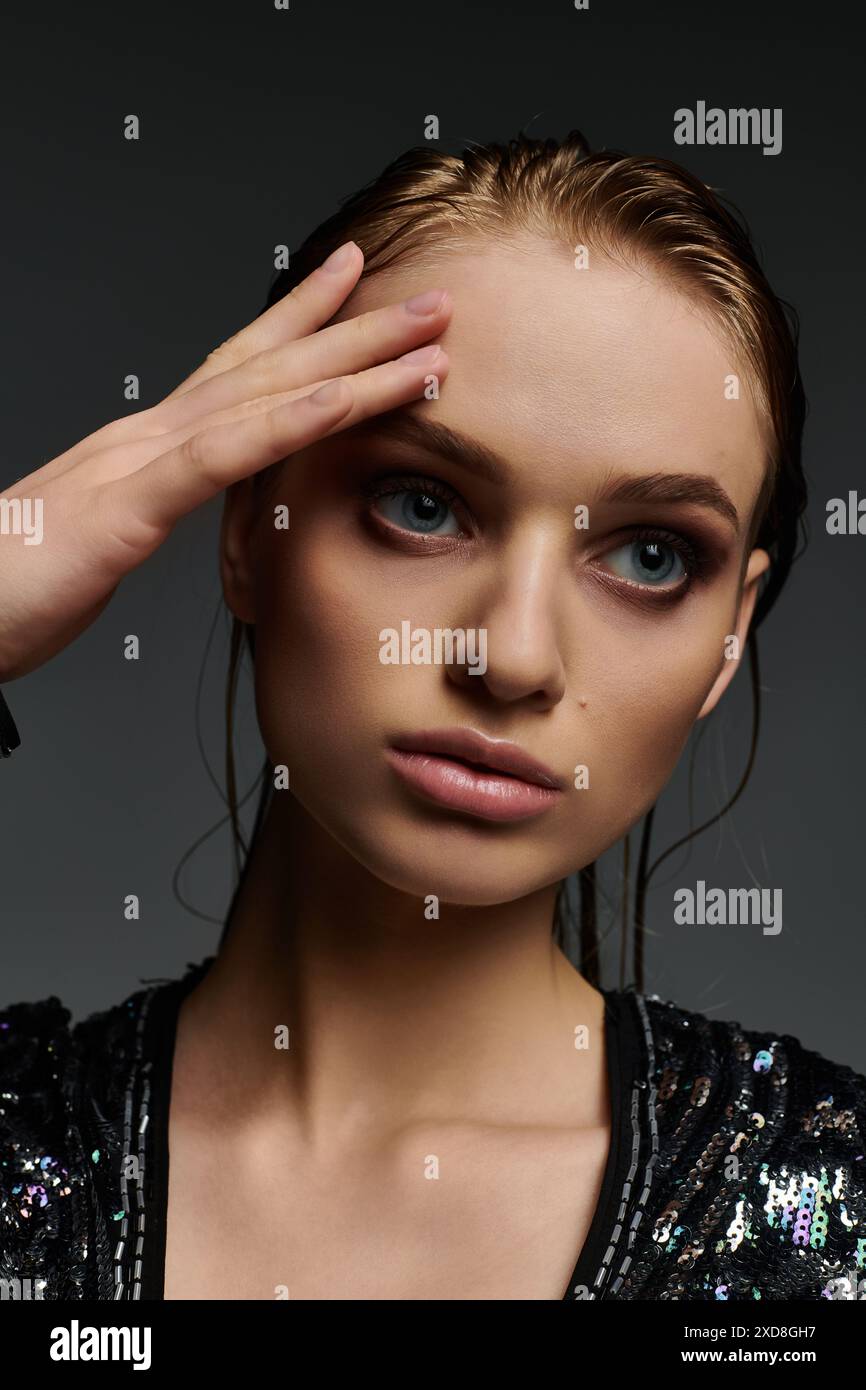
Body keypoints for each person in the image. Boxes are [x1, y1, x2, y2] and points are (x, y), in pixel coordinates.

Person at [1, 131, 864, 1302]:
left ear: (727, 635)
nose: (511, 657)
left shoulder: (833, 1208)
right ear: (251, 526)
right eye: (421, 503)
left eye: (651, 556)